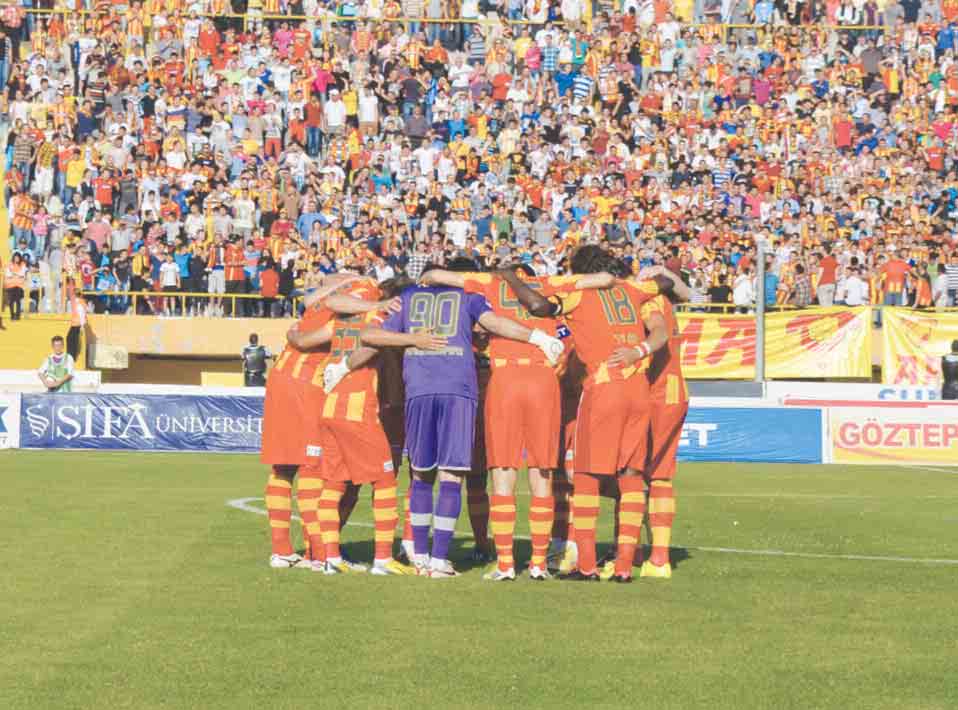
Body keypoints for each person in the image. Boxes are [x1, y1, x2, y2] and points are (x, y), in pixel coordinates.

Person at [356, 258, 564, 578]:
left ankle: (421, 556)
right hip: (458, 388)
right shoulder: (471, 296)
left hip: (419, 388)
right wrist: (537, 338)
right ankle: (440, 559)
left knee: (421, 475)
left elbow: (370, 335)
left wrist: (412, 340)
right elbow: (494, 323)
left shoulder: (409, 297)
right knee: (454, 477)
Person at [503, 245, 678, 582]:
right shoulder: (630, 289)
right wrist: (638, 349)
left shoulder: (577, 293)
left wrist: (510, 277)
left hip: (603, 387)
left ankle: (586, 566)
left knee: (585, 477)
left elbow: (538, 305)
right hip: (637, 386)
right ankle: (625, 567)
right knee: (630, 476)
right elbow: (666, 285)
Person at [420, 264, 569, 581]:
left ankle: (505, 565)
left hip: (505, 379)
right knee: (543, 472)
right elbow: (599, 281)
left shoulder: (488, 282)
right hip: (544, 379)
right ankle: (540, 564)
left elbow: (433, 276)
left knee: (503, 470)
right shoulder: (550, 282)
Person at [4, 253, 26, 321]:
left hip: (19, 286)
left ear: (20, 258)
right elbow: (8, 274)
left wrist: (13, 273)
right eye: (15, 257)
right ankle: (12, 315)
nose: (16, 259)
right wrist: (17, 274)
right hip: (10, 285)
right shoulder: (9, 264)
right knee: (11, 301)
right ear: (13, 258)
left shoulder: (23, 264)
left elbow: (22, 274)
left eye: (18, 258)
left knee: (18, 301)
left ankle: (18, 316)